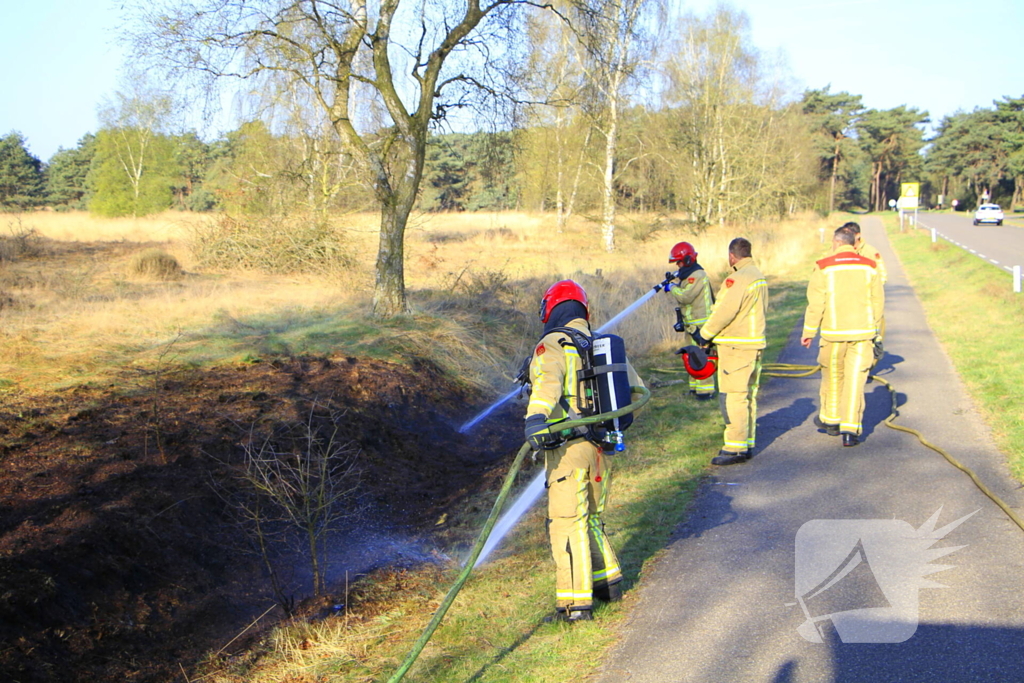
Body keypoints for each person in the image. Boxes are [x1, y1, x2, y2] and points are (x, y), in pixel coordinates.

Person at [524, 280, 635, 622]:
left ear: (552, 309)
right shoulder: (599, 343)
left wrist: (535, 420)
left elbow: (549, 384)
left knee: (566, 523)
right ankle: (608, 583)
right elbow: (635, 387)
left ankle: (574, 606)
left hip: (569, 450)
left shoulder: (553, 343)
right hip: (600, 448)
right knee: (591, 518)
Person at [800, 228, 884, 447]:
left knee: (833, 377)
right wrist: (875, 331)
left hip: (833, 334)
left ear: (836, 243)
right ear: (853, 244)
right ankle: (850, 430)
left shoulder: (823, 266)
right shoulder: (870, 266)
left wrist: (809, 331)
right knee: (855, 381)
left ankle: (831, 421)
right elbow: (878, 303)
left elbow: (816, 303)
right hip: (862, 335)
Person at [697, 238, 768, 466]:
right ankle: (746, 443)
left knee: (733, 397)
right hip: (754, 344)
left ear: (731, 256)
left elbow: (724, 311)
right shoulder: (757, 275)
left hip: (737, 347)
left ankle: (734, 448)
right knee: (748, 396)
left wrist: (704, 335)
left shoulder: (737, 279)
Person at [664, 241, 716, 399]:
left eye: (679, 262)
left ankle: (705, 391)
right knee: (690, 356)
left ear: (687, 260)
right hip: (691, 325)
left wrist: (672, 287)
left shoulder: (698, 276)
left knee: (701, 357)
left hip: (701, 325)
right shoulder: (688, 275)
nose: (678, 265)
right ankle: (694, 388)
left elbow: (686, 296)